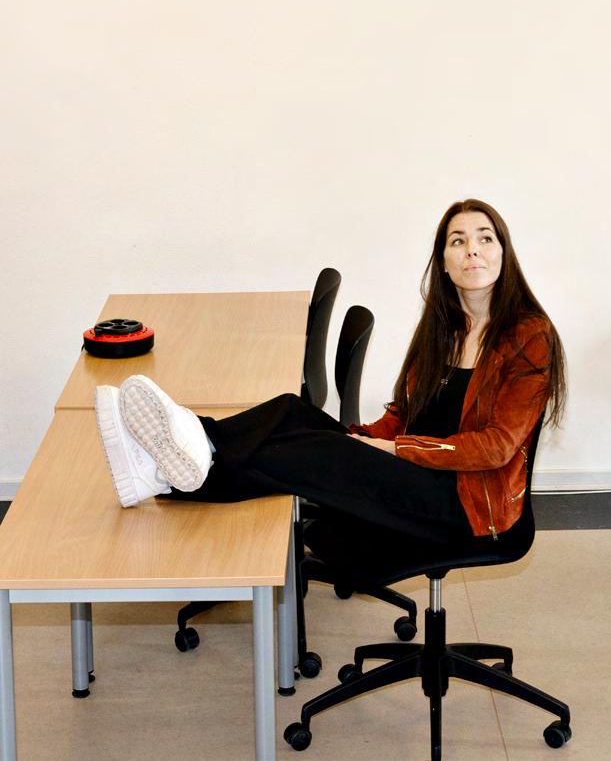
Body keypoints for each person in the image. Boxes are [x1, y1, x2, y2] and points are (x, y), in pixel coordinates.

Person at [93, 199, 566, 565]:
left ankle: (171, 469)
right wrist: (364, 438)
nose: (472, 250)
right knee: (291, 410)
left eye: (484, 238)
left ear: (503, 253)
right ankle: (195, 444)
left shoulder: (529, 336)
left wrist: (391, 449)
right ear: (443, 261)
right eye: (457, 241)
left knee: (310, 453)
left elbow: (496, 448)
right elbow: (406, 412)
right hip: (418, 473)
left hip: (466, 506)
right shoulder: (445, 327)